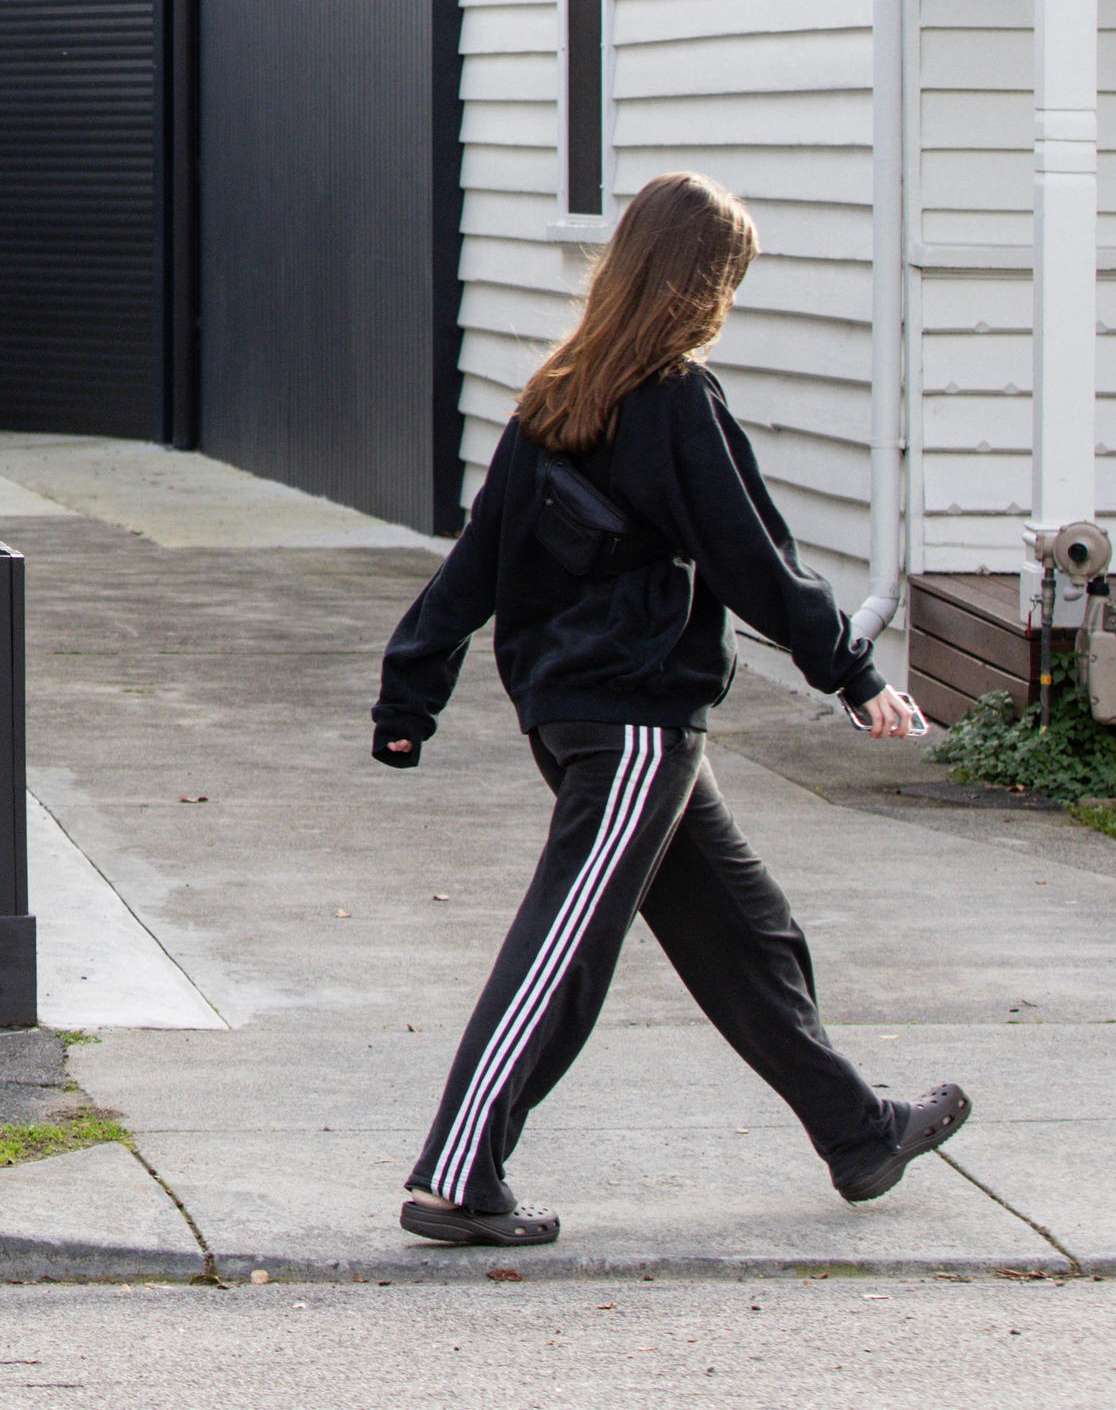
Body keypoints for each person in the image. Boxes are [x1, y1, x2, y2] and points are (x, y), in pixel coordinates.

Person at [368, 170, 970, 1248]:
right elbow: (754, 562)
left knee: (747, 934)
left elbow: (472, 568)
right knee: (563, 948)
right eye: (727, 277)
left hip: (589, 717)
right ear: (698, 283)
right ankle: (458, 1175)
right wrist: (853, 673)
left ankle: (857, 1130)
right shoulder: (673, 400)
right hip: (633, 722)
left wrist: (410, 688)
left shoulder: (559, 392)